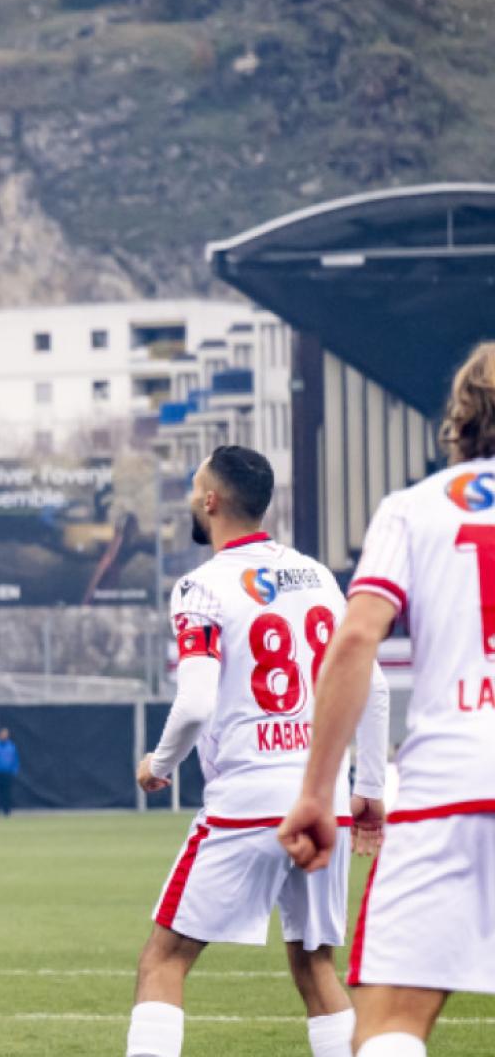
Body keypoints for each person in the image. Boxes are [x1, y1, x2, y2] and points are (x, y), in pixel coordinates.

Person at [126, 445, 389, 1057]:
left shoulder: (201, 587)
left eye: (195, 488)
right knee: (315, 966)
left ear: (212, 501)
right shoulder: (318, 576)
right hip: (323, 798)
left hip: (249, 797)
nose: (192, 497)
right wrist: (369, 790)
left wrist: (157, 765)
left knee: (162, 963)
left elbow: (194, 703)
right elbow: (370, 683)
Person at [280, 342, 495, 1057]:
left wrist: (318, 792)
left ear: (460, 419)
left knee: (389, 1031)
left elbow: (353, 642)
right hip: (445, 786)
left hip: (446, 788)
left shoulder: (412, 508)